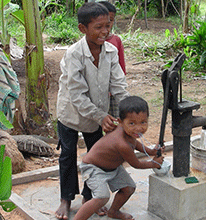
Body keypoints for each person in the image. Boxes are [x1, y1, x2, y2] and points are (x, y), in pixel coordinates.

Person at [55, 2, 130, 219]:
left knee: (96, 156)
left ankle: (90, 197)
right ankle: (66, 199)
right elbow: (77, 95)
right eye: (98, 27)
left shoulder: (111, 51)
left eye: (107, 26)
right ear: (83, 28)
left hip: (98, 116)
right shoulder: (73, 54)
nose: (105, 32)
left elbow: (119, 87)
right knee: (68, 155)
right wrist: (101, 116)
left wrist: (128, 116)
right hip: (71, 113)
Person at [73, 96, 165, 220]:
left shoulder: (128, 132)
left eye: (143, 122)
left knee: (129, 188)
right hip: (94, 168)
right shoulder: (122, 144)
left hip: (112, 167)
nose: (138, 128)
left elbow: (135, 144)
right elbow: (136, 164)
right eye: (132, 123)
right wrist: (154, 163)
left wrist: (152, 151)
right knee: (102, 197)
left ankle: (113, 211)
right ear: (120, 122)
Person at [99, 0, 126, 118]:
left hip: (113, 91)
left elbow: (121, 66)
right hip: (97, 93)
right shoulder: (87, 45)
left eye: (110, 20)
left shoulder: (116, 41)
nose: (108, 23)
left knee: (116, 120)